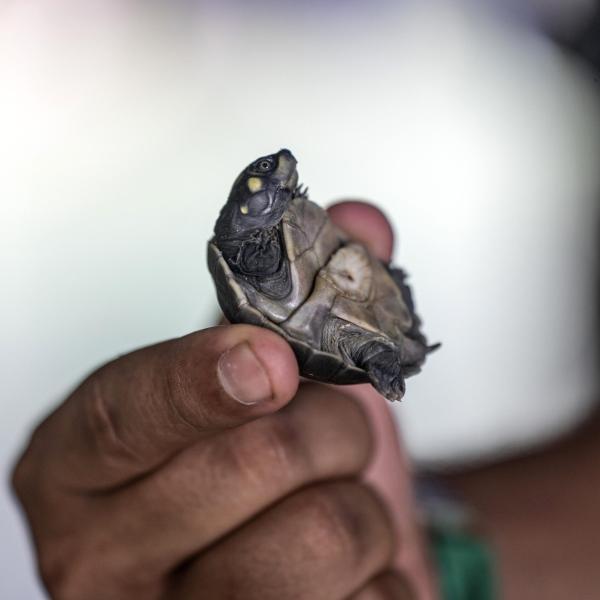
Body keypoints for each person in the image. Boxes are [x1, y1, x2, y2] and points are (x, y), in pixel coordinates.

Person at [11, 202, 435, 600]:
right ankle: (378, 357)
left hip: (340, 301)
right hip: (330, 327)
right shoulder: (255, 257)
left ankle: (381, 355)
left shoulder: (269, 242)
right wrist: (440, 561)